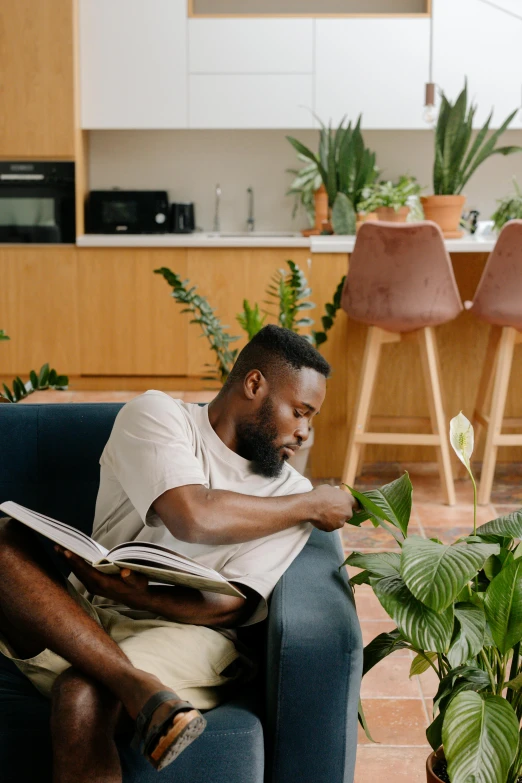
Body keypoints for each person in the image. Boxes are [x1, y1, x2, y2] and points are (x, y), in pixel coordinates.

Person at [0, 325, 358, 783]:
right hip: (83, 615)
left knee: (82, 692)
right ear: (254, 385)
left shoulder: (289, 491)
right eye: (300, 412)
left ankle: (126, 683)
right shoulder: (157, 415)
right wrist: (311, 505)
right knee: (4, 538)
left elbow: (233, 604)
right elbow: (191, 515)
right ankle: (135, 685)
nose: (305, 433)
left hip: (188, 636)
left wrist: (145, 597)